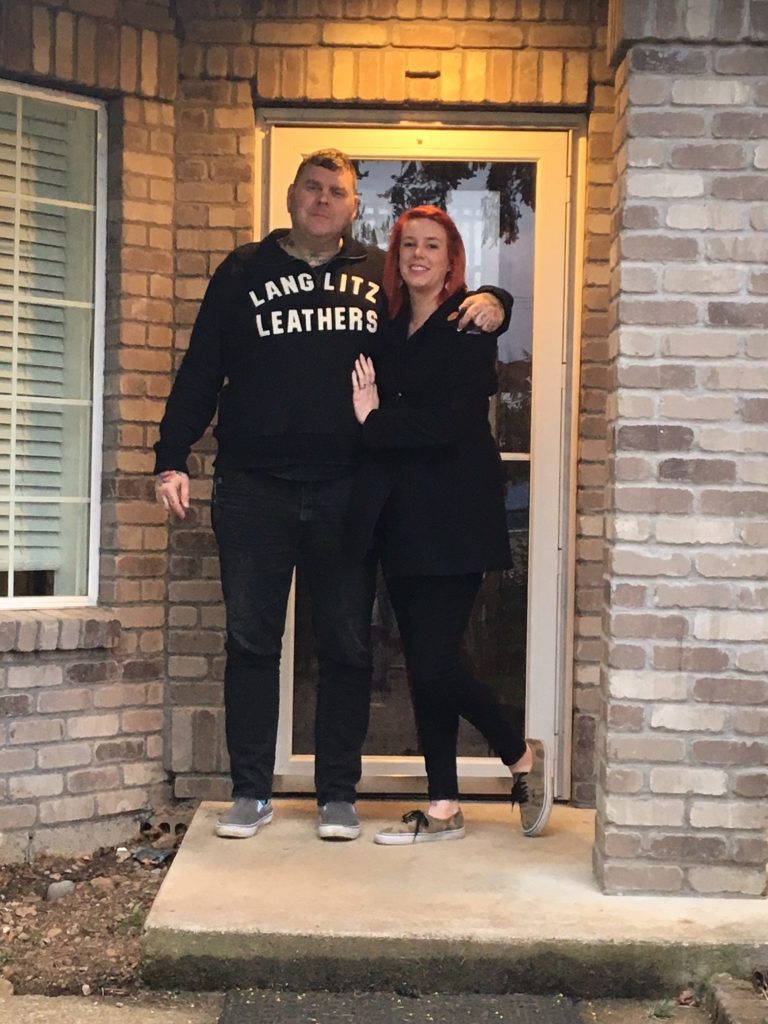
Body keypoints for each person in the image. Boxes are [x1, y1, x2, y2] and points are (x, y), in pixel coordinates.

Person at [153, 150, 509, 843]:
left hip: (349, 488)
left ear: (353, 206)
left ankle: (337, 795)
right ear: (291, 197)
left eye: (336, 191)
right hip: (253, 486)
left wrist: (498, 299)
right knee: (251, 641)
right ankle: (251, 792)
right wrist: (172, 457)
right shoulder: (242, 271)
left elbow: (438, 317)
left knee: (346, 644)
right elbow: (200, 369)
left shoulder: (380, 274)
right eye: (312, 188)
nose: (322, 200)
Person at [349, 205, 551, 844]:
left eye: (432, 246)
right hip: (400, 518)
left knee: (436, 663)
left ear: (450, 259)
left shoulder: (469, 323)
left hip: (456, 516)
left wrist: (375, 421)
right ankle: (443, 805)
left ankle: (520, 755)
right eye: (409, 244)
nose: (419, 255)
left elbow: (451, 423)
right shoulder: (385, 327)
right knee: (424, 663)